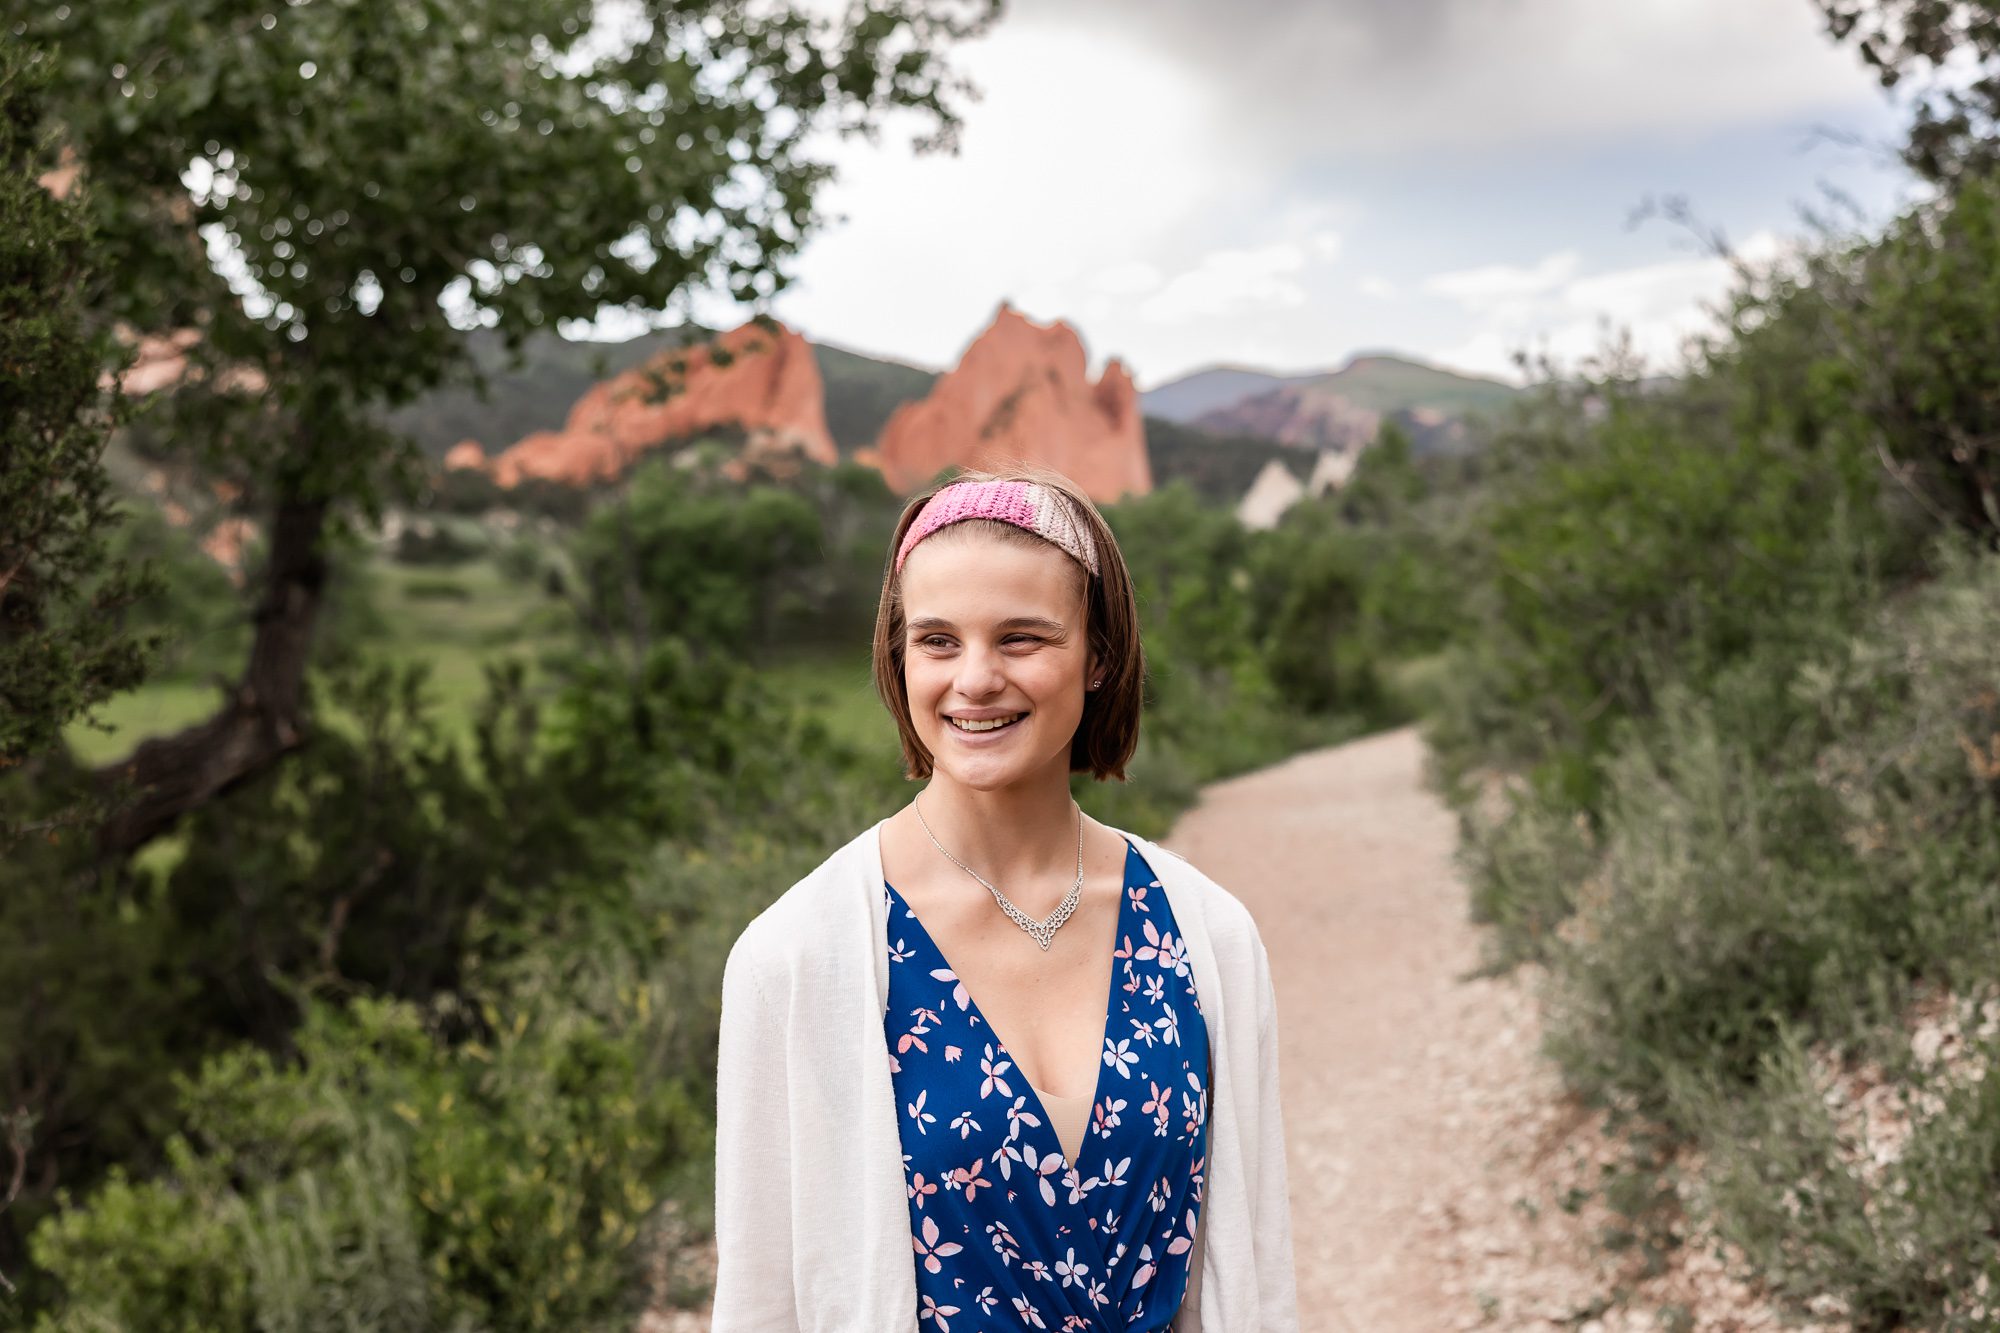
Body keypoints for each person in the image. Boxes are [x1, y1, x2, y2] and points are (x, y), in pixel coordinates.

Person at [711, 465, 1300, 1331]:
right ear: (899, 656)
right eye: (938, 640)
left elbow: (1252, 1264)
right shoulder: (797, 956)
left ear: (1099, 655)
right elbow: (761, 1301)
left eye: (1021, 638)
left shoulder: (1208, 933)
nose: (974, 678)